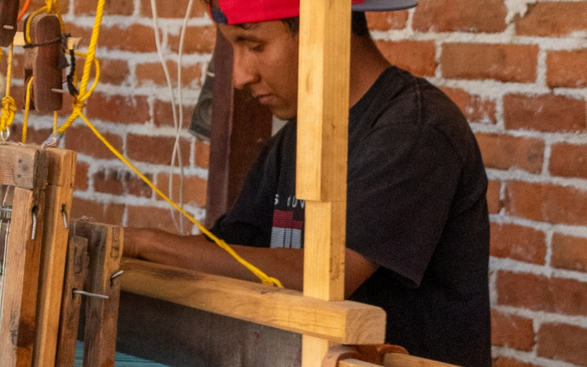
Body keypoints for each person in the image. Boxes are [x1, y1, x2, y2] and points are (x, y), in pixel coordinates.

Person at [121, 0, 492, 366]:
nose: (240, 75)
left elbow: (326, 278)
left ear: (323, 30)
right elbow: (227, 251)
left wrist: (145, 243)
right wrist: (121, 247)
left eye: (254, 45)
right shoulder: (299, 137)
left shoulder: (415, 130)